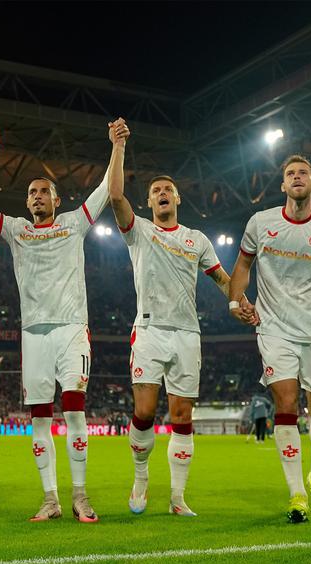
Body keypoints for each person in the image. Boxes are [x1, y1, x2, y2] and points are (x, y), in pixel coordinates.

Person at [0, 121, 126, 523]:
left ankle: (80, 495)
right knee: (39, 418)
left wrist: (116, 146)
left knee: (74, 412)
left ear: (57, 200)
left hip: (72, 329)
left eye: (44, 191)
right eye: (31, 192)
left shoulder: (75, 222)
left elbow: (106, 192)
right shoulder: (17, 230)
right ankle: (50, 499)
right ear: (27, 203)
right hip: (34, 336)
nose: (37, 196)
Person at [108, 123, 257, 517]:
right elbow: (116, 194)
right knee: (143, 412)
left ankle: (177, 497)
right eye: (155, 191)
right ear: (150, 202)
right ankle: (141, 479)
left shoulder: (197, 239)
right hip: (150, 330)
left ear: (177, 199)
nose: (160, 194)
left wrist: (240, 303)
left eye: (166, 190)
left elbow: (223, 280)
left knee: (182, 417)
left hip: (188, 335)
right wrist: (118, 146)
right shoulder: (138, 231)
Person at [228, 154, 311, 523]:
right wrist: (235, 301)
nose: (297, 177)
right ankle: (297, 494)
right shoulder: (261, 223)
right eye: (290, 174)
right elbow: (242, 266)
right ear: (283, 186)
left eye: (304, 173)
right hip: (273, 329)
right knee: (285, 402)